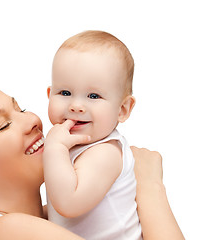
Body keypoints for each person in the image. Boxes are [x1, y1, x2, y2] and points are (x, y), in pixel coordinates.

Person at [0, 79, 184, 240]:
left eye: (21, 109)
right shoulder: (5, 232)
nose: (32, 120)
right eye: (3, 126)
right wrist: (149, 186)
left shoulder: (51, 219)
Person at [44, 30, 138, 239]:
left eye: (93, 96)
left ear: (122, 109)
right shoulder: (70, 144)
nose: (76, 106)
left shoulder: (105, 153)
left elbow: (68, 203)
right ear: (50, 95)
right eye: (65, 93)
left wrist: (54, 149)